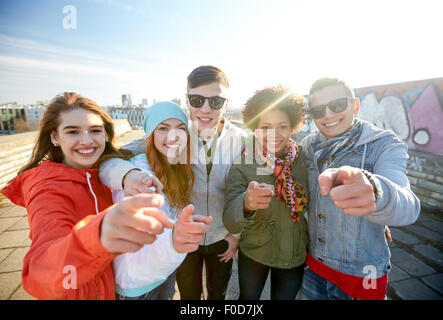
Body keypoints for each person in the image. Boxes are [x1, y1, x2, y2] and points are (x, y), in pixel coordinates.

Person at [0, 92, 176, 299]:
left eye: (95, 131)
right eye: (73, 132)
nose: (87, 141)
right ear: (54, 137)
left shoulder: (96, 172)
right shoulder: (47, 189)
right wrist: (97, 237)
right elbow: (41, 275)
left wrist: (129, 173)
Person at [99, 65, 248, 299]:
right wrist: (127, 175)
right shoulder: (176, 130)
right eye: (197, 100)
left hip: (222, 235)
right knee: (189, 294)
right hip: (182, 234)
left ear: (227, 104)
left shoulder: (242, 139)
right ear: (187, 100)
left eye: (216, 102)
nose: (206, 110)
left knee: (218, 293)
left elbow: (246, 187)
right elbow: (113, 158)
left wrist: (236, 233)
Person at [298, 77, 421, 300]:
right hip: (314, 267)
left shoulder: (383, 144)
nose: (327, 115)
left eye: (336, 105)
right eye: (317, 110)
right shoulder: (308, 145)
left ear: (354, 105)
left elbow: (408, 206)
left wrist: (376, 193)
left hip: (362, 273)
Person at [112, 101, 212, 300]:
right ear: (150, 135)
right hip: (138, 283)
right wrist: (176, 238)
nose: (173, 136)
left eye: (180, 129)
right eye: (163, 129)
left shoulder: (177, 168)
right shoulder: (138, 176)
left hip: (164, 272)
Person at [223, 85, 309, 300]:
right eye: (265, 126)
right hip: (254, 253)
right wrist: (246, 204)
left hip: (294, 255)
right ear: (255, 128)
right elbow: (230, 221)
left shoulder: (305, 160)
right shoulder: (244, 163)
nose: (274, 134)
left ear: (292, 128)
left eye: (282, 126)